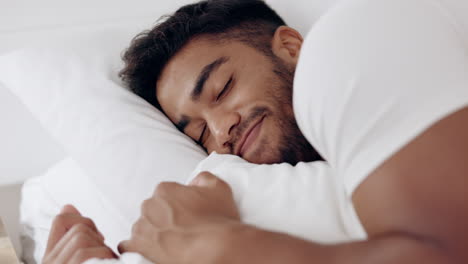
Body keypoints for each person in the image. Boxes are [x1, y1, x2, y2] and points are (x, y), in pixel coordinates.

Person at [43, 0, 468, 263]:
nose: (221, 130)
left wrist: (214, 245)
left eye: (222, 88)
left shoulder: (344, 48)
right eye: (197, 135)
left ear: (290, 47)